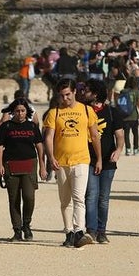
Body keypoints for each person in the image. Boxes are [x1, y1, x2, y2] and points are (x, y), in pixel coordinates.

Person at [43, 78, 102, 248]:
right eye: (62, 95)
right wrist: (51, 157)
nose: (65, 98)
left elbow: (95, 135)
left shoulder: (86, 110)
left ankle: (79, 231)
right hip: (61, 162)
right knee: (65, 200)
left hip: (81, 159)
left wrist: (99, 158)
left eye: (68, 94)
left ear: (75, 91)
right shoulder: (54, 113)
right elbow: (49, 137)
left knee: (79, 198)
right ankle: (68, 231)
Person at [0, 99, 46, 242]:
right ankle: (17, 230)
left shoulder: (32, 126)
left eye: (23, 111)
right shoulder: (6, 126)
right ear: (13, 112)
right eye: (17, 111)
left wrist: (42, 165)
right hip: (11, 165)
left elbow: (39, 146)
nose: (20, 113)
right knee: (14, 199)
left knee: (29, 197)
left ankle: (26, 224)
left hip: (29, 164)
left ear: (27, 111)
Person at [82, 79, 124, 245]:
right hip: (88, 159)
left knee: (104, 198)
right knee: (91, 195)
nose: (84, 92)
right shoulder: (83, 111)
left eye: (87, 90)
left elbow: (119, 135)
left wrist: (118, 150)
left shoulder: (112, 112)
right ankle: (91, 231)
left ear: (95, 94)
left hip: (108, 160)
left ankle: (102, 231)